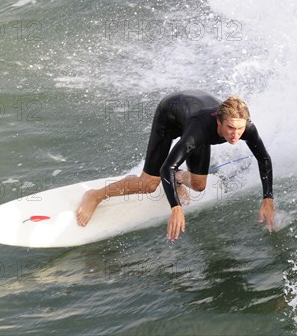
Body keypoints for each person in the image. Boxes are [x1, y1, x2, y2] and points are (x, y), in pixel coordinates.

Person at [76, 90, 274, 241]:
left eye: (239, 129)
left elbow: (264, 159)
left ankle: (178, 178)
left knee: (198, 185)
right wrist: (176, 208)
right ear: (219, 122)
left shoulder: (245, 127)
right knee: (149, 185)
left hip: (192, 110)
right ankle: (95, 195)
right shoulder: (199, 130)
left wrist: (268, 198)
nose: (235, 134)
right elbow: (166, 168)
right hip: (170, 115)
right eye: (230, 128)